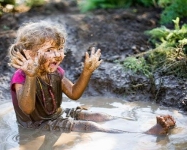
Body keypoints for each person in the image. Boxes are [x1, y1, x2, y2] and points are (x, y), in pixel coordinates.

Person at [9, 21, 175, 135]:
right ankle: (146, 133)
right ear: (30, 54)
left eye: (59, 48)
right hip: (37, 125)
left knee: (98, 116)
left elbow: (74, 94)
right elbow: (28, 109)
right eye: (49, 50)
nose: (57, 54)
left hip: (56, 114)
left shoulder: (55, 71)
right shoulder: (21, 77)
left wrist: (87, 71)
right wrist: (31, 76)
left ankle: (140, 122)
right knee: (88, 126)